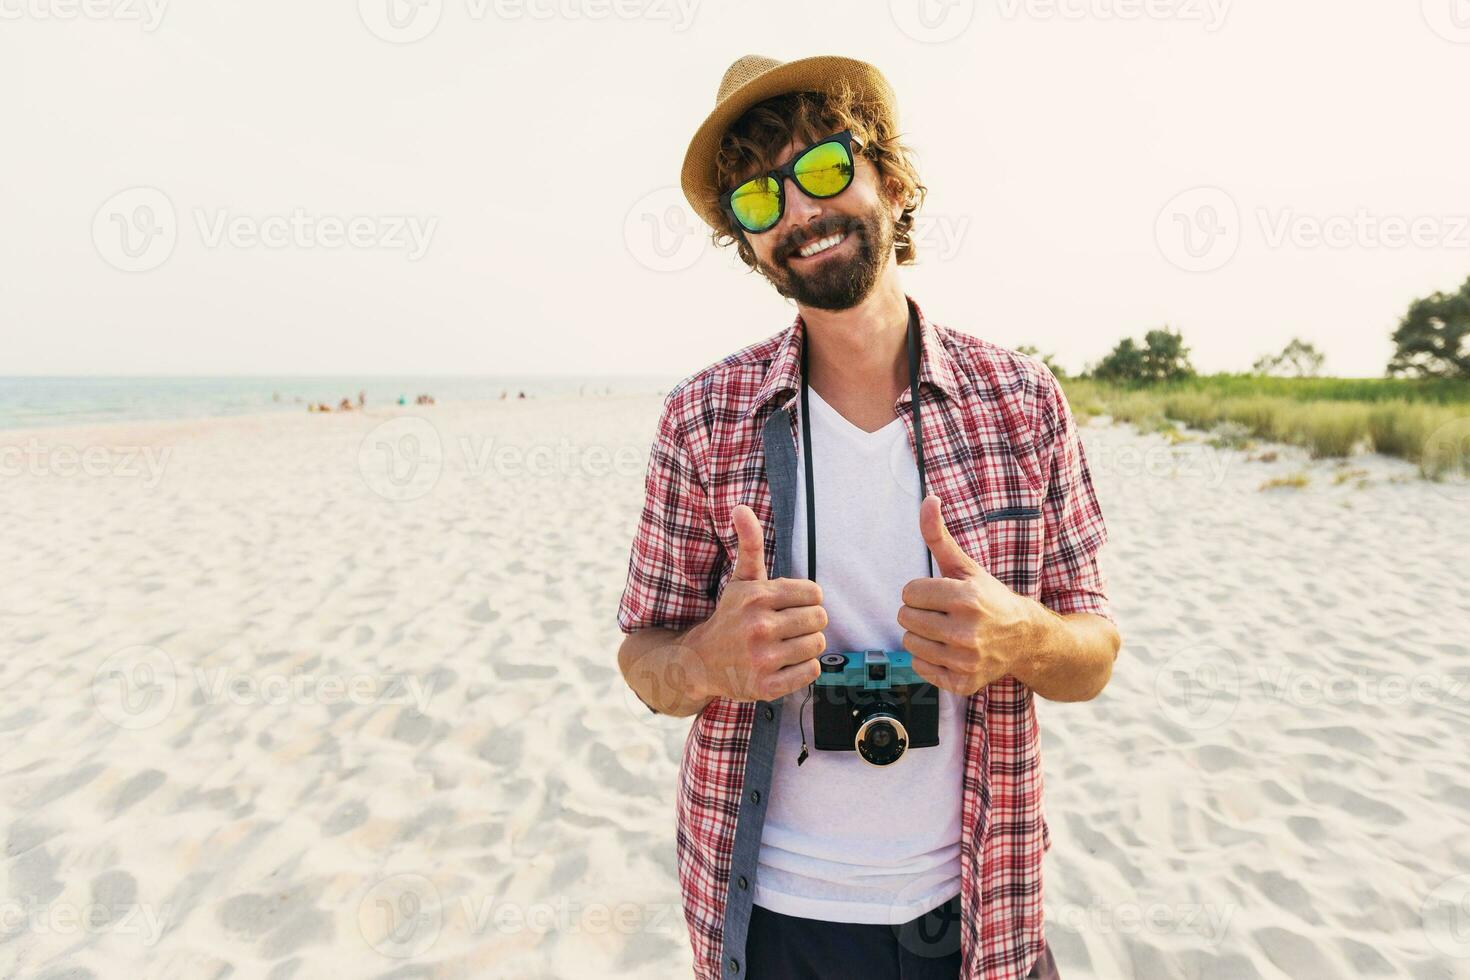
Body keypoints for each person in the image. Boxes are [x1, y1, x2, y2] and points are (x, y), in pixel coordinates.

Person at [614, 55, 1121, 980]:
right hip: (768, 919)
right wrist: (705, 660)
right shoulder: (704, 415)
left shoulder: (1021, 402)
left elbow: (1094, 655)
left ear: (887, 176)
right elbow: (642, 661)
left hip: (980, 904)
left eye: (820, 171)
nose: (799, 215)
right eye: (760, 202)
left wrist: (1020, 637)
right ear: (748, 243)